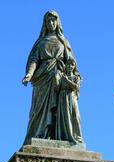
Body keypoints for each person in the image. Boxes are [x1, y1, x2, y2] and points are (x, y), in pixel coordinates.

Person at [22, 11, 83, 145]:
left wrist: (75, 78)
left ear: (57, 23)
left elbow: (71, 62)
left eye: (53, 21)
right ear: (45, 23)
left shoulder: (63, 42)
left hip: (60, 80)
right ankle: (40, 135)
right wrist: (29, 74)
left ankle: (60, 136)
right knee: (39, 111)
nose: (51, 23)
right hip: (43, 79)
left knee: (61, 109)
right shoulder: (40, 43)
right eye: (48, 21)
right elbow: (34, 60)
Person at [56, 58, 83, 144]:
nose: (70, 66)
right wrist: (56, 76)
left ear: (74, 66)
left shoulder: (76, 77)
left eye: (72, 65)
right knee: (65, 117)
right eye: (68, 64)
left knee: (76, 116)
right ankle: (64, 136)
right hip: (62, 98)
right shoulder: (61, 77)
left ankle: (77, 136)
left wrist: (67, 80)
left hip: (72, 96)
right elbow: (56, 88)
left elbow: (76, 87)